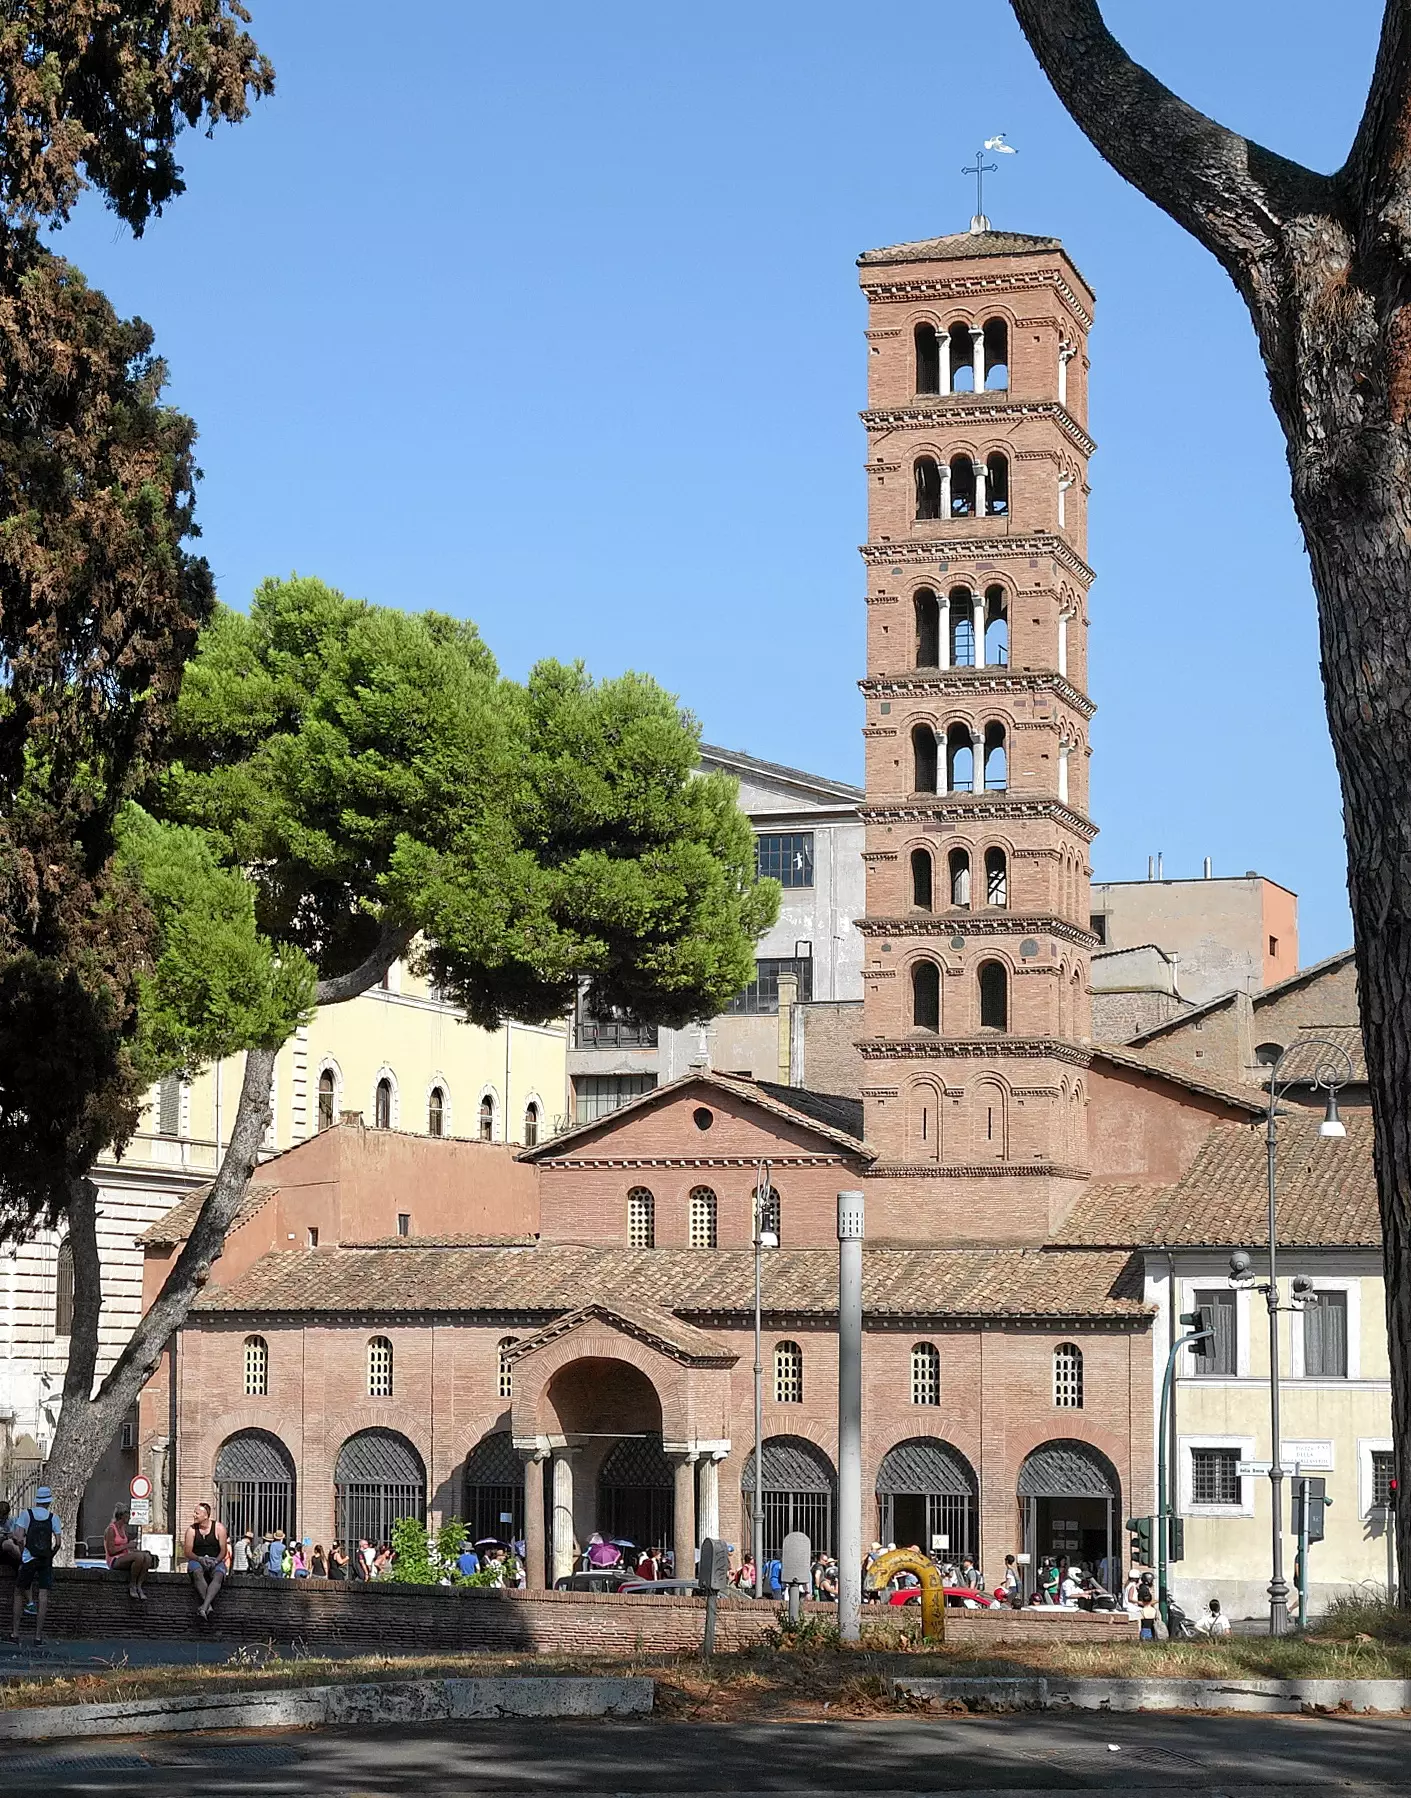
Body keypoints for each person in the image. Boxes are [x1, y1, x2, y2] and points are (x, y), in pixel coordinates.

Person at [8, 1485, 61, 1647]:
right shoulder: (53, 1518)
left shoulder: (26, 1515)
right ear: (49, 1502)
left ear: (37, 1500)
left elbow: (18, 1537)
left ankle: (15, 1634)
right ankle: (38, 1637)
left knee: (18, 1592)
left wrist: (24, 1553)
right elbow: (58, 1543)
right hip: (45, 1560)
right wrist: (50, 1555)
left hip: (29, 1558)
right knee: (43, 1595)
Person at [184, 1501, 229, 1620]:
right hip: (197, 1559)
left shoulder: (219, 1528)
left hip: (215, 1559)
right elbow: (188, 1552)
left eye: (197, 1513)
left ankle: (204, 1607)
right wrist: (199, 1559)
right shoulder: (191, 1530)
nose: (194, 1515)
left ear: (205, 1515)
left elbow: (223, 1551)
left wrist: (215, 1561)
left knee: (219, 1575)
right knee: (197, 1572)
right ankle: (208, 1607)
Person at [104, 1505, 153, 1601]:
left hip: (124, 1556)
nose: (130, 1517)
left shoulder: (123, 1529)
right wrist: (127, 1546)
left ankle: (139, 1585)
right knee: (139, 1557)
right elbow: (111, 1551)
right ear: (122, 1516)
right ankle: (132, 1585)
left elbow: (127, 1548)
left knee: (146, 1557)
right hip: (114, 1560)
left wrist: (134, 1549)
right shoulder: (111, 1530)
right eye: (128, 1515)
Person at [0, 1502, 22, 1572]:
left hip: (13, 1549)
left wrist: (14, 1536)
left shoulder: (14, 1520)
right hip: (2, 1548)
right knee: (8, 1544)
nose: (1, 1520)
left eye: (3, 1517)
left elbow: (20, 1534)